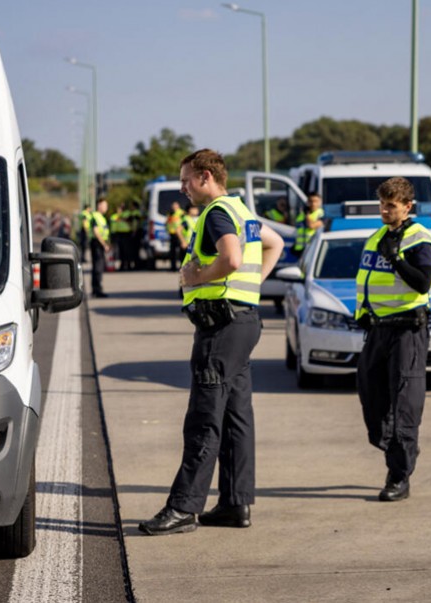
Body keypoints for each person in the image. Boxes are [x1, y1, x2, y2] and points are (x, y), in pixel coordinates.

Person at [138, 149, 284, 536]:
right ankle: (235, 504)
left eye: (186, 180)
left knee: (204, 417)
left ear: (206, 177)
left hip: (220, 328)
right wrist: (251, 289)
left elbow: (232, 259)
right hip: (243, 321)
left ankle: (183, 508)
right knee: (236, 416)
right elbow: (275, 244)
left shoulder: (217, 212)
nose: (182, 188)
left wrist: (197, 277)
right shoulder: (242, 211)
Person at [355, 177, 431, 503]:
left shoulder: (420, 238)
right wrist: (362, 312)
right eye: (382, 204)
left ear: (407, 206)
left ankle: (399, 476)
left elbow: (422, 283)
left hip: (407, 331)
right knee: (371, 398)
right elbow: (367, 279)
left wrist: (397, 259)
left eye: (391, 205)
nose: (385, 210)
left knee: (404, 403)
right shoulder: (376, 237)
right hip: (378, 329)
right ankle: (401, 448)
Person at [89, 197, 111, 298]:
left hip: (99, 243)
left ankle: (96, 289)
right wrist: (104, 244)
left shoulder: (101, 217)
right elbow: (96, 232)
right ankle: (97, 290)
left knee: (98, 266)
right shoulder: (95, 216)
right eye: (105, 205)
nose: (106, 207)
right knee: (98, 267)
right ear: (99, 205)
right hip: (97, 244)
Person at [166, 200, 187, 271]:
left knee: (181, 252)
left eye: (175, 205)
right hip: (172, 234)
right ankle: (173, 267)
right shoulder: (170, 213)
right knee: (172, 252)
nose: (174, 207)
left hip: (179, 234)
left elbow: (185, 222)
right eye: (173, 206)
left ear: (178, 206)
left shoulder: (181, 213)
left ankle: (182, 266)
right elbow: (167, 223)